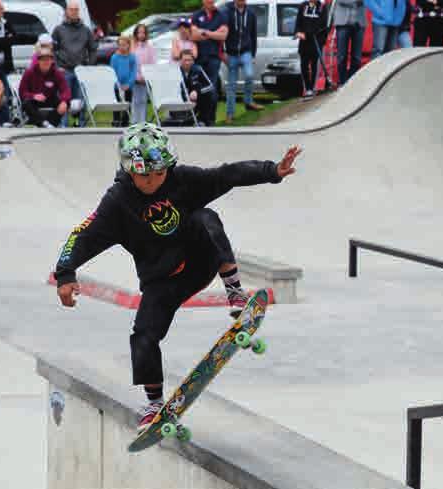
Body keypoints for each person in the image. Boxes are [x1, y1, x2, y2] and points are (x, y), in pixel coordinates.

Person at [53, 122, 302, 432]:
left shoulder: (180, 179)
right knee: (143, 336)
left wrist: (272, 171)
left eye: (159, 173)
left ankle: (235, 293)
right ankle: (154, 403)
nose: (155, 181)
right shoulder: (117, 203)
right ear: (130, 170)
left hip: (200, 260)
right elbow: (83, 234)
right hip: (162, 282)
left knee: (207, 217)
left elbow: (226, 175)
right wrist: (65, 273)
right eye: (146, 176)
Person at [0, 0, 36, 126]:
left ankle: (5, 120)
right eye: (0, 9)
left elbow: (15, 39)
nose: (3, 11)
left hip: (4, 65)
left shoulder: (6, 24)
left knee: (6, 94)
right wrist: (5, 40)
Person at [52, 0, 96, 127]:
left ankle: (81, 125)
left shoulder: (86, 30)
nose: (74, 12)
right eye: (71, 10)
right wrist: (57, 67)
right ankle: (63, 125)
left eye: (76, 10)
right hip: (64, 70)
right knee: (64, 99)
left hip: (81, 70)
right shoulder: (59, 30)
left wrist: (89, 66)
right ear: (66, 12)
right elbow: (52, 50)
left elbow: (93, 48)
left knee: (81, 100)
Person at [224, 0, 263, 123]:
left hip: (246, 52)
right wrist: (224, 51)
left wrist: (253, 54)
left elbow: (253, 34)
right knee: (232, 85)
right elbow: (223, 33)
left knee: (249, 75)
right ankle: (230, 113)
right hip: (232, 53)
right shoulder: (227, 13)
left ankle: (249, 101)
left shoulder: (251, 13)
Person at [18, 46, 70, 128]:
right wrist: (33, 96)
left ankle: (49, 123)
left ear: (52, 60)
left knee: (65, 103)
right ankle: (44, 123)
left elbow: (65, 90)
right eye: (43, 59)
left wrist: (64, 101)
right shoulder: (29, 72)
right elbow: (22, 92)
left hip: (49, 99)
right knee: (26, 103)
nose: (45, 62)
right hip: (34, 101)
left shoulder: (57, 73)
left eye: (48, 59)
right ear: (38, 61)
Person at [190, 0, 229, 98]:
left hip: (214, 57)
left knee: (212, 87)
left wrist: (204, 32)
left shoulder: (221, 15)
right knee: (198, 87)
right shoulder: (196, 15)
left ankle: (211, 113)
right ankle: (202, 112)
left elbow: (223, 36)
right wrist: (214, 33)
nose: (210, 1)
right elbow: (193, 35)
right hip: (198, 57)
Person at [296, 0, 329, 97]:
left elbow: (324, 26)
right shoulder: (303, 6)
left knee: (314, 64)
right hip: (304, 41)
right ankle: (307, 88)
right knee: (304, 65)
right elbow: (298, 23)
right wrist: (298, 32)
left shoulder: (322, 7)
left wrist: (321, 40)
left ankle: (313, 87)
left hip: (316, 41)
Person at [332, 0, 366, 84]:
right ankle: (343, 82)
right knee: (342, 56)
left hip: (359, 22)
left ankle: (352, 83)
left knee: (357, 57)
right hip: (342, 22)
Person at [179, 50, 216, 126]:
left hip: (197, 99)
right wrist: (187, 98)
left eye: (189, 60)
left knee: (211, 95)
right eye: (185, 60)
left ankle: (203, 120)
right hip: (182, 99)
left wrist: (197, 92)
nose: (187, 62)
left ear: (193, 61)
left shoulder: (198, 69)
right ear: (180, 61)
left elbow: (210, 86)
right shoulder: (176, 72)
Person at [109, 35, 137, 127]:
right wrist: (118, 85)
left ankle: (125, 123)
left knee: (127, 106)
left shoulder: (132, 57)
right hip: (117, 87)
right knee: (116, 106)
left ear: (128, 45)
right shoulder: (114, 57)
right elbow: (112, 72)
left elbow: (133, 72)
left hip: (128, 87)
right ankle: (116, 123)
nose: (122, 47)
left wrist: (129, 84)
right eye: (120, 45)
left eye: (124, 45)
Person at [131, 24, 155, 124]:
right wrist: (136, 76)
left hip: (145, 78)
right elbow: (131, 63)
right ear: (136, 34)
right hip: (135, 78)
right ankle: (134, 121)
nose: (141, 35)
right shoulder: (132, 47)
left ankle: (142, 121)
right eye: (139, 32)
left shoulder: (149, 47)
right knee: (136, 100)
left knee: (143, 100)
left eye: (143, 33)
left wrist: (147, 76)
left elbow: (152, 62)